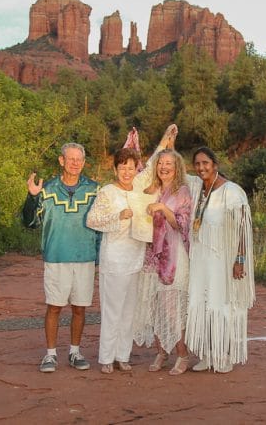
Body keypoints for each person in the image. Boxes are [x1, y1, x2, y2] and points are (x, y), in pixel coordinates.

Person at [85, 127, 176, 374]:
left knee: (128, 311)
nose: (127, 171)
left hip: (135, 258)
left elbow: (153, 168)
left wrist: (166, 141)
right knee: (112, 310)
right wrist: (118, 216)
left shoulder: (138, 187)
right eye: (122, 167)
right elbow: (92, 220)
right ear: (115, 169)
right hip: (114, 259)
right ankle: (106, 358)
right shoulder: (107, 192)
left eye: (131, 167)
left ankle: (122, 356)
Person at [22, 142, 101, 373]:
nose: (75, 163)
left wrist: (100, 255)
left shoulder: (95, 189)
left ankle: (75, 352)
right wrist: (31, 197)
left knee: (80, 308)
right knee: (54, 307)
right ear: (61, 160)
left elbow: (104, 225)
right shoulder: (46, 189)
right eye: (71, 158)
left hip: (85, 256)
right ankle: (50, 355)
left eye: (80, 159)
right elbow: (28, 222)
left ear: (84, 163)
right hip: (56, 256)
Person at [185, 146, 255, 373]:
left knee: (221, 305)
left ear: (215, 164)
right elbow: (169, 169)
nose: (201, 167)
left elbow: (243, 229)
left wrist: (240, 259)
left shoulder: (232, 192)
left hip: (222, 260)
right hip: (200, 259)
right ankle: (206, 355)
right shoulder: (197, 189)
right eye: (197, 164)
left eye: (205, 163)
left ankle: (223, 355)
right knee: (202, 304)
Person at [133, 148, 193, 375]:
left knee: (173, 308)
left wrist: (163, 208)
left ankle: (182, 354)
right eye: (161, 163)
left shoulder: (182, 191)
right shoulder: (152, 189)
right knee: (153, 304)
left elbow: (181, 225)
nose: (164, 167)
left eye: (169, 163)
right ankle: (161, 352)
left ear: (177, 167)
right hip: (152, 255)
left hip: (174, 256)